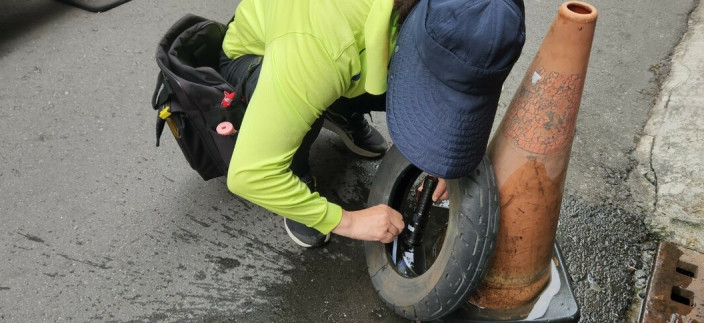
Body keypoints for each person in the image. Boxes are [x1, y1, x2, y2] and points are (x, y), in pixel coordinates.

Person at [220, 0, 525, 248]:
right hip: (261, 53)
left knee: (372, 78)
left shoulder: (485, 14)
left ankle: (339, 108)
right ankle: (299, 174)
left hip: (345, 51)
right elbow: (250, 174)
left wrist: (447, 143)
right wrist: (347, 221)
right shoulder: (319, 48)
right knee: (302, 110)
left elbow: (473, 72)